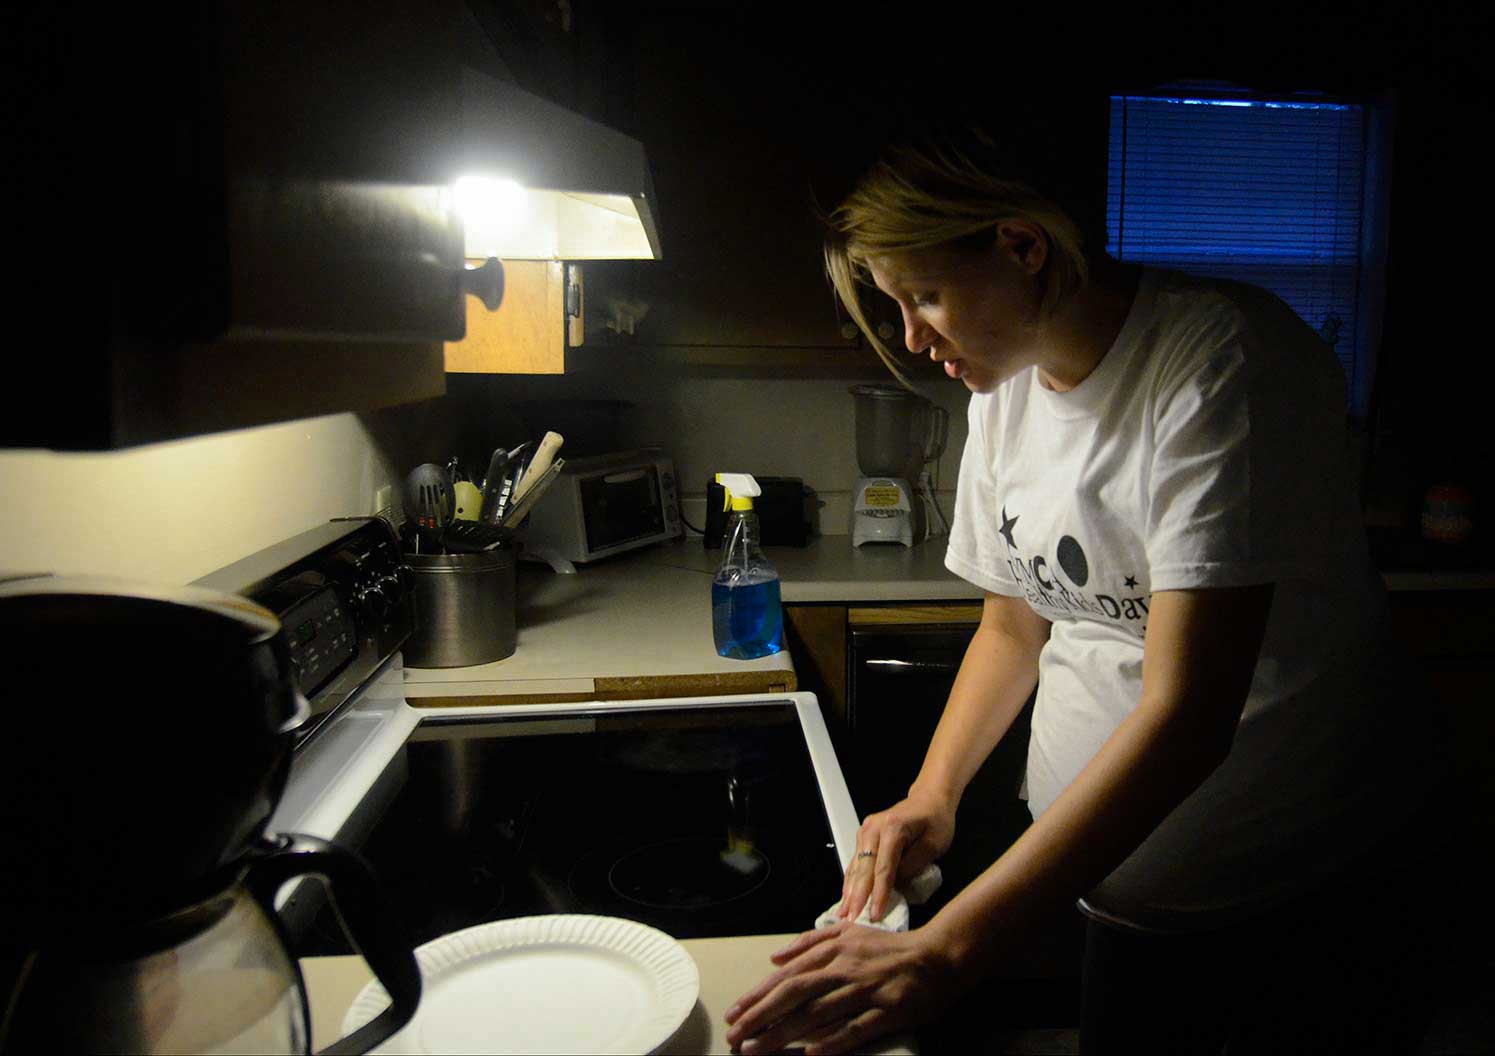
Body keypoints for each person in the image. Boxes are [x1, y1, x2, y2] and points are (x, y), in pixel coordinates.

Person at [722, 127, 1459, 1055]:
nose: (912, 339)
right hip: (1118, 891)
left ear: (1022, 247)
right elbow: (1012, 625)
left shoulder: (1219, 360)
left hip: (1284, 888)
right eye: (895, 306)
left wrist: (951, 947)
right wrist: (932, 793)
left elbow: (1190, 711)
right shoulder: (1003, 392)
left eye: (927, 298)